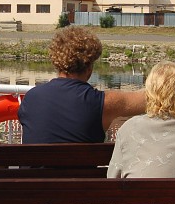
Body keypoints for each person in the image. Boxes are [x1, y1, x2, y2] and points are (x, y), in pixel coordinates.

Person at [17, 26, 146, 143]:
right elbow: (149, 99)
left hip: (34, 169)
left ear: (56, 62)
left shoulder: (31, 98)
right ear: (89, 66)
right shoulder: (103, 103)